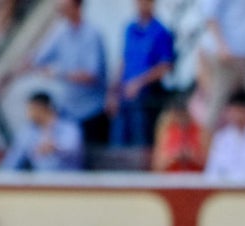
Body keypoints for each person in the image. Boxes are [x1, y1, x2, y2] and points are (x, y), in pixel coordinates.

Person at [28, 0, 107, 145]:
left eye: (65, 7)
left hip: (91, 113)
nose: (62, 10)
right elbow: (38, 58)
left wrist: (59, 74)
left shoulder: (92, 35)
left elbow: (91, 75)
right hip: (69, 112)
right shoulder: (61, 34)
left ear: (78, 7)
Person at [108, 0, 174, 148]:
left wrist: (139, 83)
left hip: (146, 96)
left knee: (140, 139)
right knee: (118, 139)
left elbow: (165, 66)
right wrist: (113, 91)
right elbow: (124, 60)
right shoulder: (130, 28)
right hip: (125, 93)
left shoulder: (160, 31)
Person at [200, 0, 245, 131]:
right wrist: (220, 45)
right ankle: (203, 147)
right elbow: (209, 13)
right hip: (228, 57)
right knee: (217, 102)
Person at [0, 89, 82, 171]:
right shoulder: (27, 131)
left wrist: (54, 147)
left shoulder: (69, 127)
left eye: (31, 109)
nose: (28, 113)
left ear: (43, 108)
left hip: (70, 179)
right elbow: (14, 159)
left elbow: (72, 151)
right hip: (41, 180)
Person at [151, 92, 206, 172]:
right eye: (178, 115)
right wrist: (173, 158)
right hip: (171, 179)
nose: (181, 119)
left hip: (194, 179)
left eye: (183, 114)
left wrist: (192, 156)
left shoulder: (200, 130)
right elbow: (157, 165)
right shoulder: (166, 130)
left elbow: (210, 164)